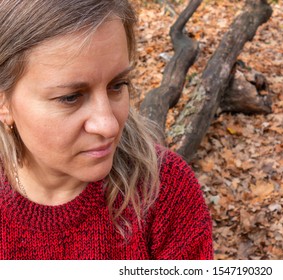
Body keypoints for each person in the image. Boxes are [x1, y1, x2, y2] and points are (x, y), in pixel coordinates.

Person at [0, 0, 213, 260]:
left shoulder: (165, 191)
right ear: (4, 103)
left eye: (117, 84)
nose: (109, 125)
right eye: (70, 98)